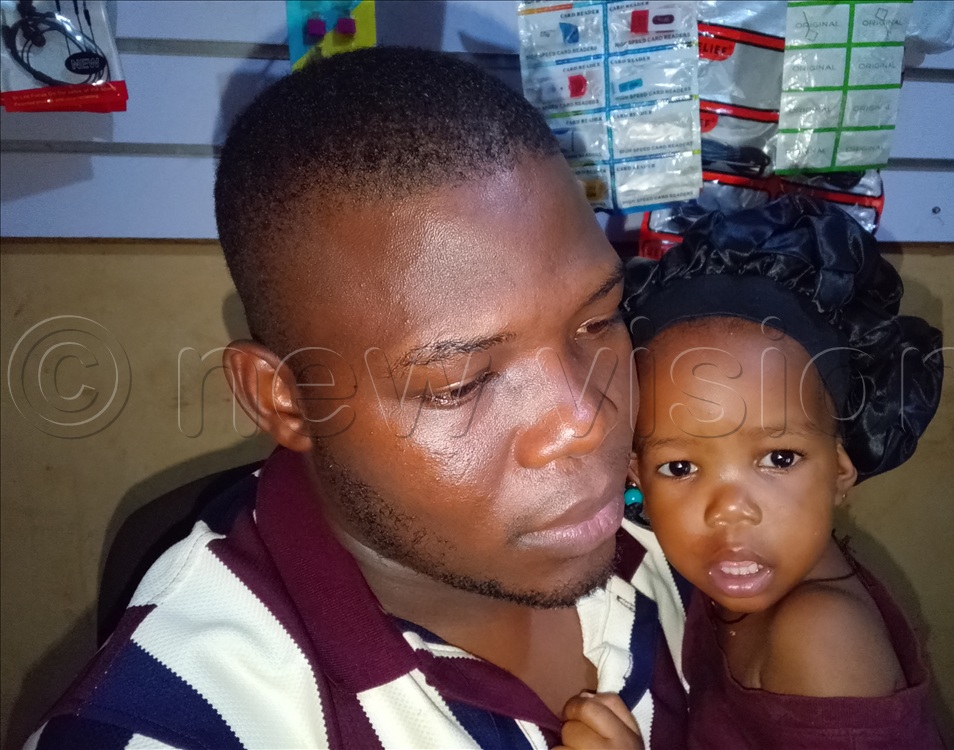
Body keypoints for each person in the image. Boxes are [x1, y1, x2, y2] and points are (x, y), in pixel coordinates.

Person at [25, 47, 690, 749]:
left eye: (597, 320)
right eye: (459, 383)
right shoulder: (172, 725)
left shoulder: (681, 513)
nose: (586, 421)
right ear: (284, 401)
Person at [569, 197, 946, 749]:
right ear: (637, 477)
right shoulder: (729, 580)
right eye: (680, 467)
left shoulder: (821, 638)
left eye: (779, 458)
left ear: (842, 467)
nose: (730, 508)